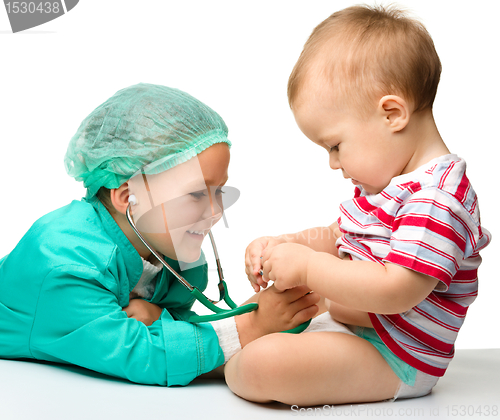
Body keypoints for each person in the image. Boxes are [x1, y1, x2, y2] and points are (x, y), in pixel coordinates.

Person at [224, 5, 492, 406]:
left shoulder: (437, 199)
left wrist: (310, 268)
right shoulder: (388, 185)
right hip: (350, 327)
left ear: (392, 114)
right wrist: (285, 244)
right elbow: (340, 236)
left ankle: (229, 361)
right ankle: (212, 349)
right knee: (267, 308)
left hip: (395, 357)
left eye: (335, 145)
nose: (333, 163)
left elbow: (396, 289)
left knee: (265, 364)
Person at [0, 83, 319, 386]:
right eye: (196, 194)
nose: (216, 210)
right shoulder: (65, 262)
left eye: (219, 190)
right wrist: (252, 325)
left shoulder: (169, 254)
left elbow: (175, 319)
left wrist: (162, 314)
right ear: (128, 197)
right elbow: (136, 355)